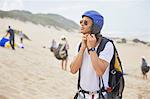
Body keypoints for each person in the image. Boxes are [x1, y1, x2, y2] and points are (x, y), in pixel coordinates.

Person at [70, 10, 114, 99]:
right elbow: (73, 70)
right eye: (81, 22)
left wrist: (92, 49)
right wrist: (82, 49)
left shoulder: (107, 45)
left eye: (85, 23)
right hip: (81, 95)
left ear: (95, 26)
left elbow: (99, 71)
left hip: (99, 96)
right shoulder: (80, 45)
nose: (82, 24)